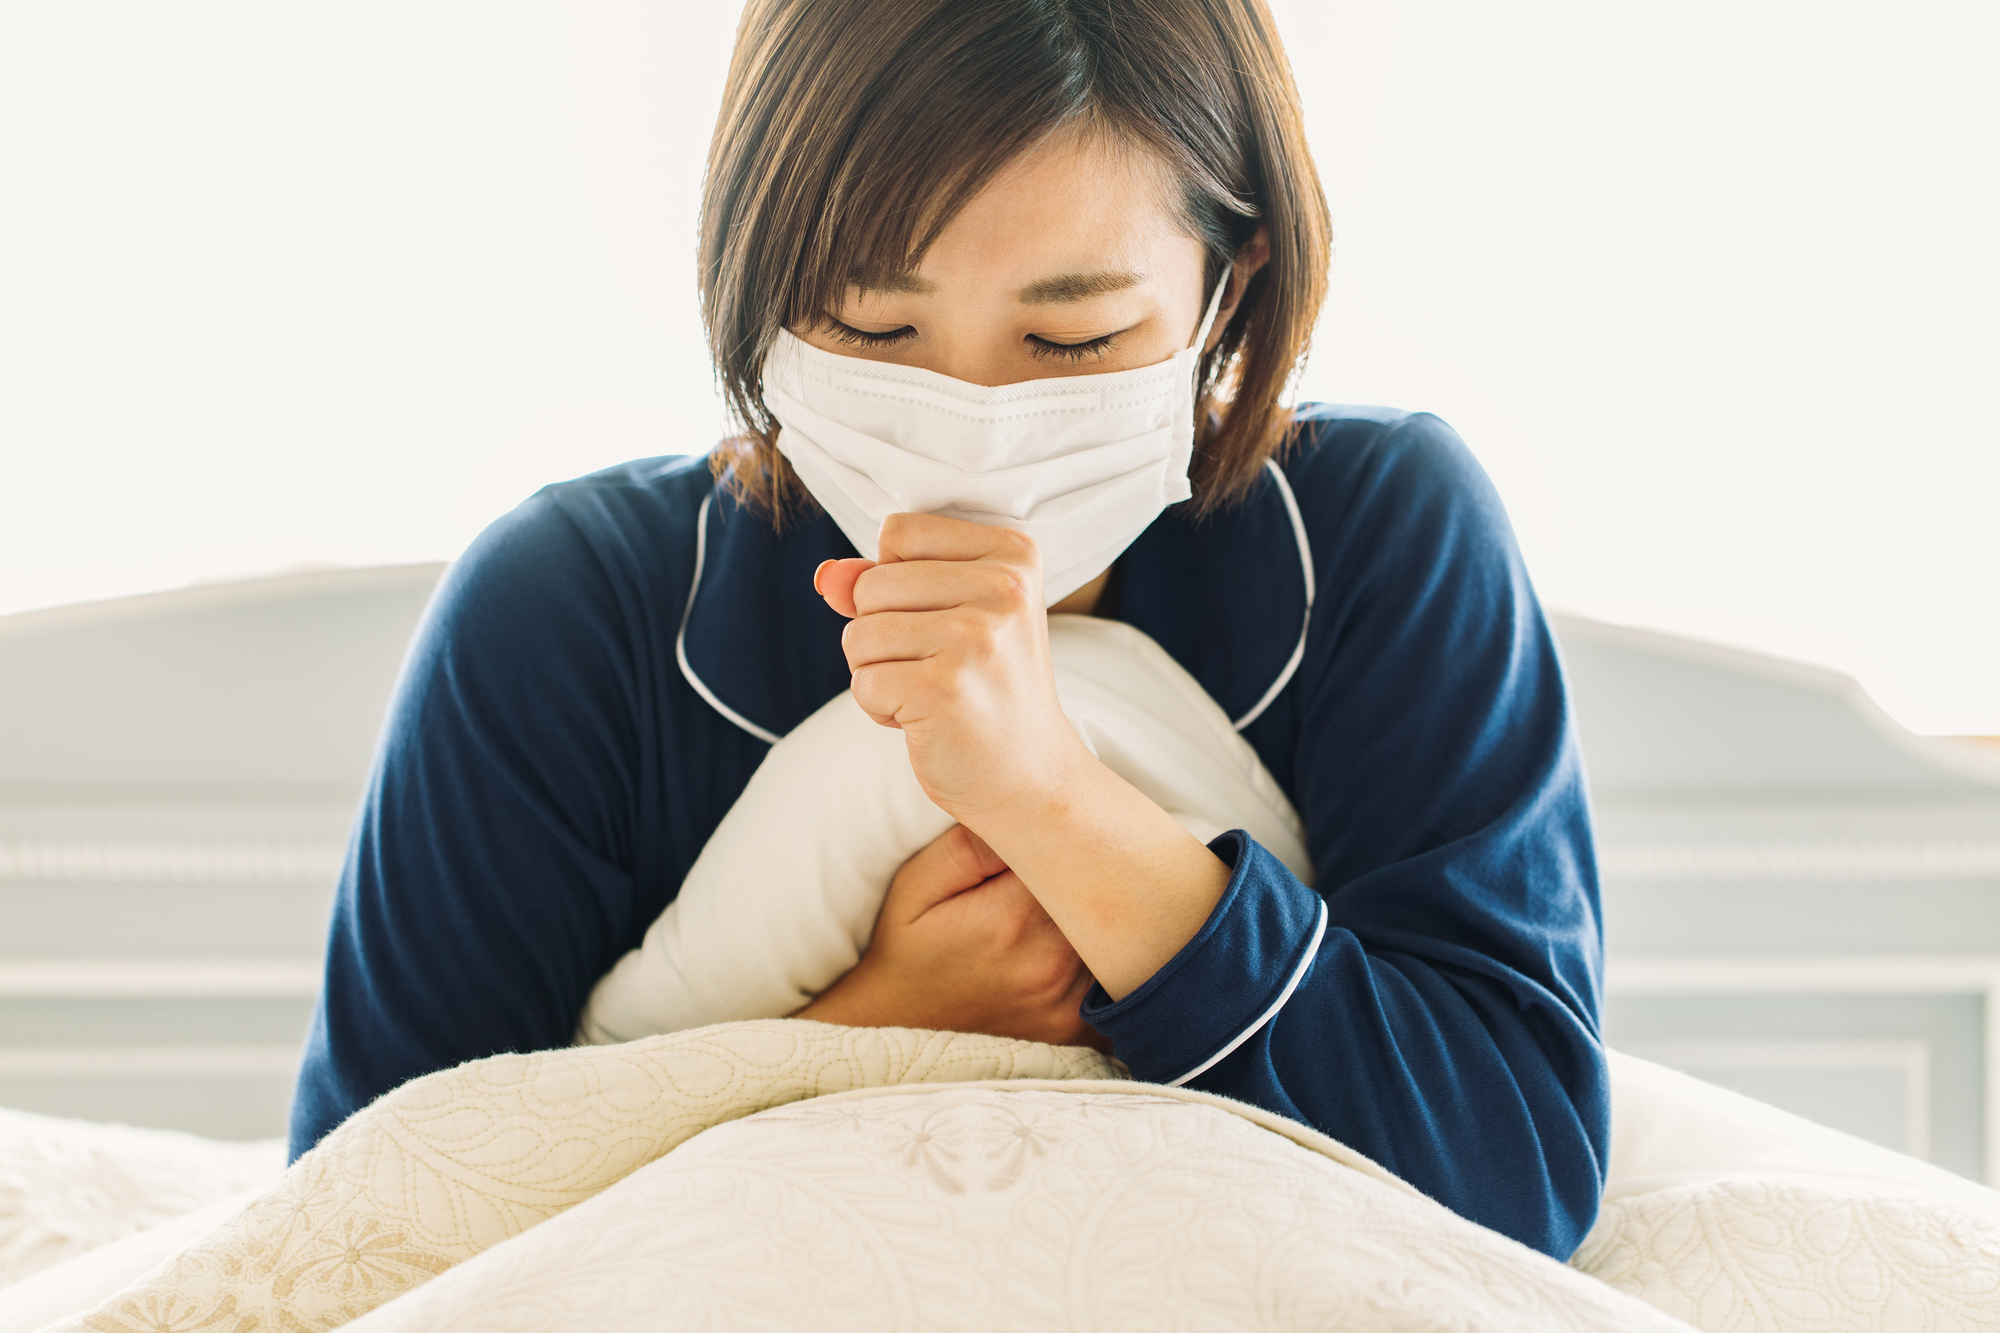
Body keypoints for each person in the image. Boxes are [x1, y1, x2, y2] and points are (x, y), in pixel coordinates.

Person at [288, 0, 1611, 1259]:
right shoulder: (570, 613)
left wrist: (1050, 798)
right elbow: (359, 1229)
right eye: (875, 324)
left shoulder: (1381, 537)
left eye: (1073, 337)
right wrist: (885, 1022)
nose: (968, 414)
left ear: (1232, 272)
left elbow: (1523, 1165)